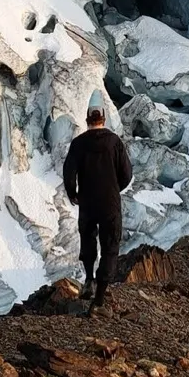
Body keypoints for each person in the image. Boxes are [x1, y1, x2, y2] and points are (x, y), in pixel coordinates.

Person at [62, 105, 132, 311]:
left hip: (87, 202)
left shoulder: (78, 144)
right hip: (110, 203)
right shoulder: (114, 142)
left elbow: (68, 173)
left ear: (87, 121)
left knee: (88, 238)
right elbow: (127, 174)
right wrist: (114, 188)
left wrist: (73, 193)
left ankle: (89, 280)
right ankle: (99, 299)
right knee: (110, 245)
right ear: (103, 119)